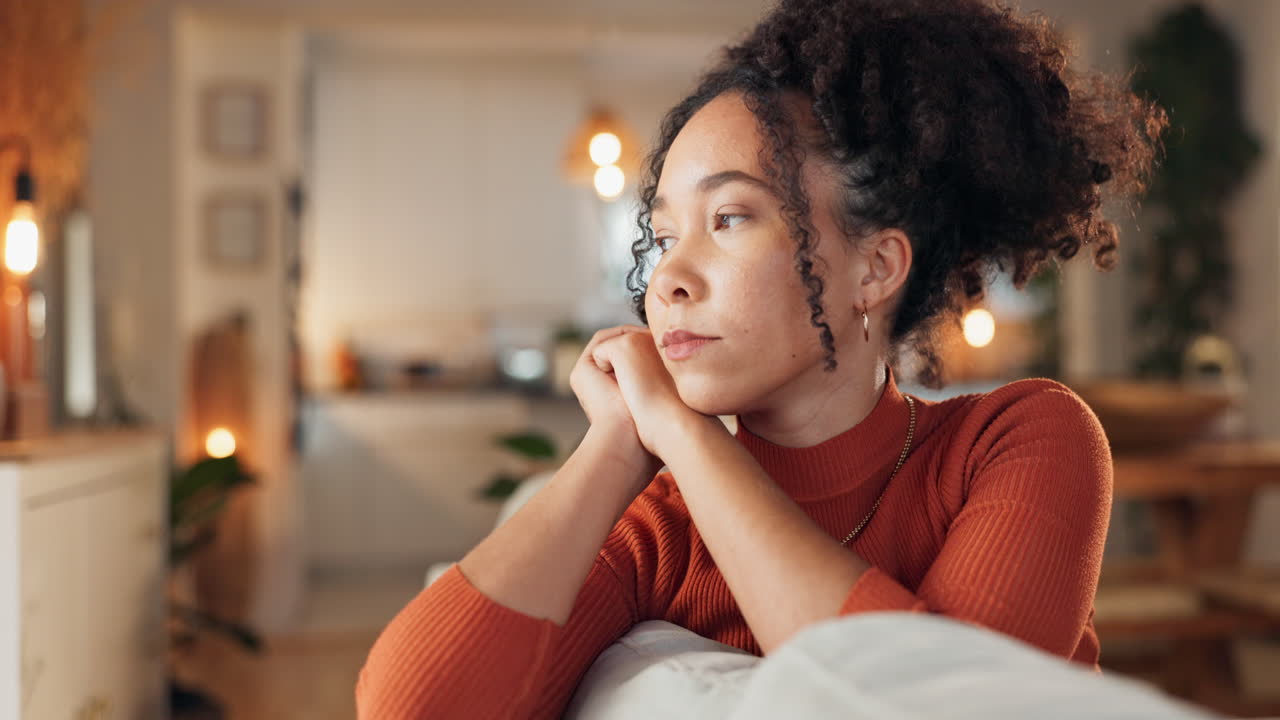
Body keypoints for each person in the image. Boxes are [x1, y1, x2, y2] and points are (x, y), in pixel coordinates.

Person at [356, 0, 1166, 717]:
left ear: (874, 269)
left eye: (730, 218)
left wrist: (683, 434)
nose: (667, 277)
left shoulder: (1021, 439)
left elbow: (935, 708)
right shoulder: (662, 528)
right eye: (664, 236)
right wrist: (616, 446)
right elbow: (409, 710)